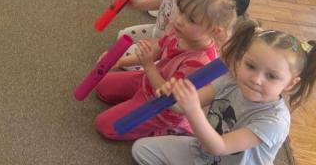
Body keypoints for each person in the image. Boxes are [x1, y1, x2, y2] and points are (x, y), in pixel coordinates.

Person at [132, 20, 316, 165]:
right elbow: (182, 107)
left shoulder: (275, 121)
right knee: (141, 150)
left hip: (216, 149)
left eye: (272, 76)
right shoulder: (231, 81)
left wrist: (193, 110)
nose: (256, 79)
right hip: (204, 152)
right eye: (251, 66)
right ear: (242, 59)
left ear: (290, 84)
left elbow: (220, 146)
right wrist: (172, 95)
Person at [94, 0, 237, 140]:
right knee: (101, 86)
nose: (179, 20)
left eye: (191, 19)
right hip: (149, 82)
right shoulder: (179, 32)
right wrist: (121, 61)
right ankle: (134, 102)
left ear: (214, 31)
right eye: (181, 11)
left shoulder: (200, 63)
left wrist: (148, 66)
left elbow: (168, 97)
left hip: (161, 108)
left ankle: (168, 129)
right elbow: (155, 52)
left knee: (105, 126)